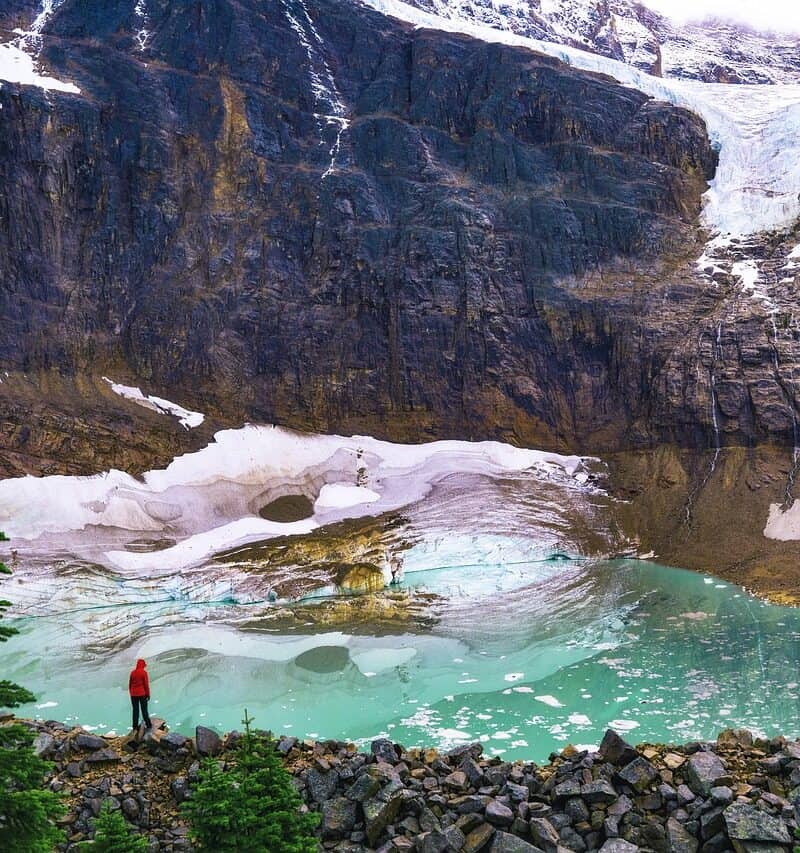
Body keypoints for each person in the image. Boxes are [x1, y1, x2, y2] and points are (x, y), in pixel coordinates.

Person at [128, 658, 152, 731]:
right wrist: (148, 695)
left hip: (133, 695)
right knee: (144, 710)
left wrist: (131, 693)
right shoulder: (144, 673)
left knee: (135, 711)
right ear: (143, 665)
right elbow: (146, 685)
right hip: (142, 694)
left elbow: (130, 684)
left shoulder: (132, 672)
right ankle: (148, 725)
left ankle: (135, 727)